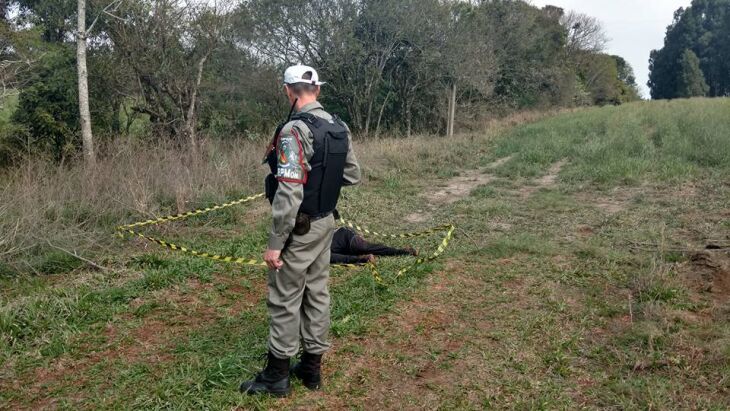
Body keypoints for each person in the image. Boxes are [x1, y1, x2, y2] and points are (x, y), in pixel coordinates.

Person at [240, 65, 361, 397]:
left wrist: (276, 243)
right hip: (326, 223)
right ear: (317, 90)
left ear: (287, 91)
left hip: (300, 227)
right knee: (317, 292)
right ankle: (311, 368)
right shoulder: (338, 126)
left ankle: (276, 376)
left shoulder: (294, 131)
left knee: (284, 298)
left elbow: (289, 191)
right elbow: (352, 175)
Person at [330, 226, 418, 265]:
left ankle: (403, 251)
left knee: (364, 247)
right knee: (329, 257)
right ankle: (363, 259)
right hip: (340, 250)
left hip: (346, 237)